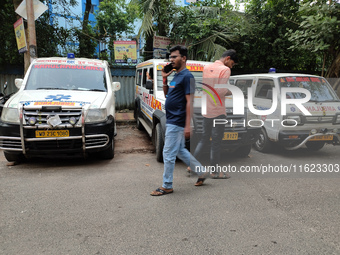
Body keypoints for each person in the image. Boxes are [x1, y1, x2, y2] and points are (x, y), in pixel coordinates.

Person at [150, 45, 209, 196]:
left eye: (174, 57)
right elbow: (167, 94)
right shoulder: (176, 75)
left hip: (177, 120)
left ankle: (167, 185)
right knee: (180, 150)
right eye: (170, 57)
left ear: (183, 58)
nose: (171, 60)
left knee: (168, 153)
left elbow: (190, 102)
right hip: (172, 118)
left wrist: (188, 125)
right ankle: (202, 172)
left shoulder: (188, 76)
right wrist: (164, 78)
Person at [192, 49, 238, 179]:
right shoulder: (225, 70)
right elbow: (221, 91)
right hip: (218, 111)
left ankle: (192, 166)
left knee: (204, 138)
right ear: (228, 58)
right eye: (232, 63)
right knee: (216, 142)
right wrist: (233, 91)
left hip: (206, 109)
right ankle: (214, 172)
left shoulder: (207, 67)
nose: (231, 66)